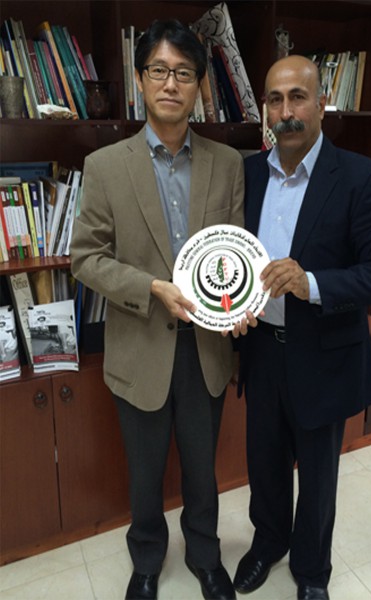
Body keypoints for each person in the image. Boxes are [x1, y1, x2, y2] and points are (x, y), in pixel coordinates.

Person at [71, 19, 245, 600]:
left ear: (199, 85)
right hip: (140, 345)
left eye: (184, 73)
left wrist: (240, 302)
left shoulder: (227, 163)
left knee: (202, 469)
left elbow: (234, 252)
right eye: (160, 71)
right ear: (141, 80)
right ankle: (146, 561)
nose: (171, 84)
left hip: (206, 347)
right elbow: (86, 258)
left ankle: (205, 557)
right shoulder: (105, 166)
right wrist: (150, 286)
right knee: (144, 473)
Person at [232, 55, 371, 600]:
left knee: (318, 476)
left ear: (321, 103)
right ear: (266, 110)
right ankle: (268, 543)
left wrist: (311, 283)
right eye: (275, 99)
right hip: (261, 349)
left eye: (298, 97)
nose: (286, 111)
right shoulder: (247, 173)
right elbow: (232, 257)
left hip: (324, 354)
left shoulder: (360, 177)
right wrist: (229, 304)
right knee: (264, 463)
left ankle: (312, 571)